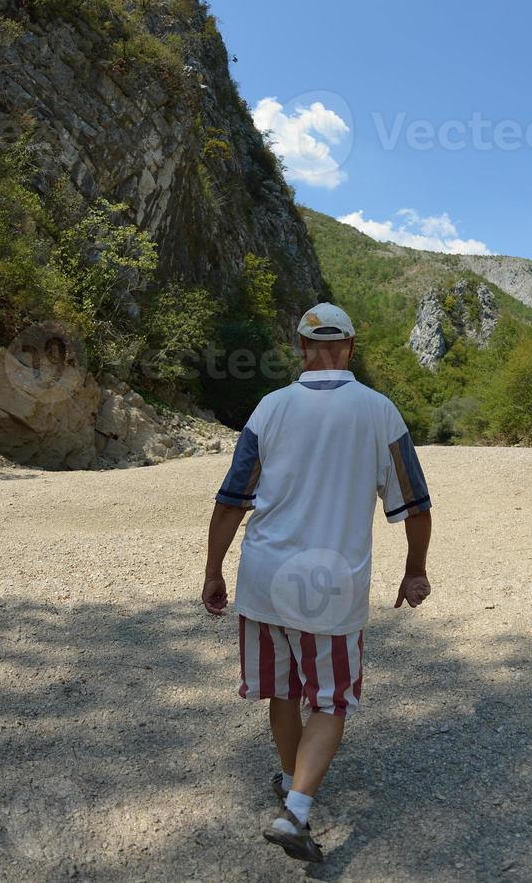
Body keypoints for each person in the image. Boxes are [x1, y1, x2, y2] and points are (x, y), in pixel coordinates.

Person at [202, 302, 434, 864]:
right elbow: (415, 504)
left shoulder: (270, 408)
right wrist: (415, 569)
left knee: (282, 693)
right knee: (329, 702)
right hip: (332, 588)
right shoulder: (380, 412)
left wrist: (213, 570)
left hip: (264, 580)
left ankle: (290, 779)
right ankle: (297, 810)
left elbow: (232, 500)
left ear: (302, 348)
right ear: (350, 348)